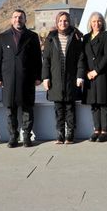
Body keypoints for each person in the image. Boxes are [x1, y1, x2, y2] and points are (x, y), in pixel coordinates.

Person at [0, 9, 42, 148]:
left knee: (27, 109)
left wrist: (38, 77)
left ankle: (27, 136)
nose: (17, 19)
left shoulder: (32, 36)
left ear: (25, 19)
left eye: (20, 17)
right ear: (11, 19)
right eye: (15, 17)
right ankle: (13, 137)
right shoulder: (3, 37)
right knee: (11, 110)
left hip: (27, 79)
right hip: (8, 81)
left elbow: (37, 59)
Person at [42, 12, 85, 144]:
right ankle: (60, 134)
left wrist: (80, 76)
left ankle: (70, 134)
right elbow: (46, 60)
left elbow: (80, 58)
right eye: (60, 21)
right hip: (55, 78)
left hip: (71, 78)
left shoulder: (76, 37)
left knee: (70, 108)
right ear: (57, 22)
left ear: (69, 22)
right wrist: (45, 77)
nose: (63, 23)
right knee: (58, 108)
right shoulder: (51, 38)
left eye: (65, 20)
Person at [82, 12, 107, 142]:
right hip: (89, 76)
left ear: (102, 22)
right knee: (94, 104)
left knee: (104, 104)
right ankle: (96, 130)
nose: (96, 23)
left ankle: (105, 131)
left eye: (99, 21)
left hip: (103, 74)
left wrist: (95, 71)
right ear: (90, 23)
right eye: (93, 21)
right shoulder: (86, 38)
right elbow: (84, 57)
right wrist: (86, 72)